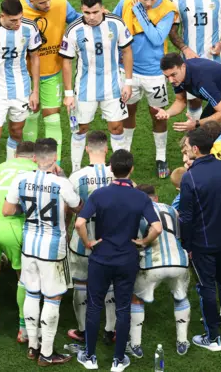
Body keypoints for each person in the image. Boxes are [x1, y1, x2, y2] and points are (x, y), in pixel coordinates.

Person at [75, 149, 163, 372]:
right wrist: (143, 242)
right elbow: (158, 227)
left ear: (111, 169)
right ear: (131, 169)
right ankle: (118, 360)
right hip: (127, 259)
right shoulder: (140, 197)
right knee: (123, 308)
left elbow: (79, 223)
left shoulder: (99, 194)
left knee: (95, 306)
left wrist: (88, 242)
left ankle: (90, 357)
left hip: (101, 258)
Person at [3, 138, 82, 366]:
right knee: (53, 297)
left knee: (31, 293)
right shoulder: (61, 183)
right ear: (55, 158)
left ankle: (32, 345)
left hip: (29, 245)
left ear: (35, 158)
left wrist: (29, 209)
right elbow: (79, 207)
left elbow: (7, 210)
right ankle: (46, 353)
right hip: (53, 248)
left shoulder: (21, 179)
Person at [0, 0, 82, 160]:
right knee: (30, 118)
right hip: (24, 76)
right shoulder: (19, 8)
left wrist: (101, 15)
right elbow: (2, 21)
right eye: (42, 3)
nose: (47, 5)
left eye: (48, 0)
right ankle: (29, 162)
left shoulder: (61, 2)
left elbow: (78, 20)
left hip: (52, 71)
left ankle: (55, 164)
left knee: (52, 119)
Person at [179, 127, 221, 351]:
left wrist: (186, 244)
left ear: (196, 149)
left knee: (206, 288)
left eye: (187, 148)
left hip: (201, 243)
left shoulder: (190, 177)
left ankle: (213, 338)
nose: (186, 151)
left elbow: (186, 218)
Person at [113, 0, 178, 178]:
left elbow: (157, 38)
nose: (148, 2)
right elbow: (114, 24)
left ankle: (161, 157)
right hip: (128, 70)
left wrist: (140, 12)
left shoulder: (168, 9)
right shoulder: (126, 0)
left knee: (157, 114)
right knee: (128, 112)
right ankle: (125, 155)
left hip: (155, 73)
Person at [60, 0, 133, 171]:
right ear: (81, 10)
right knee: (80, 128)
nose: (91, 17)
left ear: (102, 8)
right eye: (87, 13)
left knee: (116, 128)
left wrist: (128, 82)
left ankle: (119, 171)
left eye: (95, 12)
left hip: (114, 86)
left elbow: (127, 51)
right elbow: (66, 61)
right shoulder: (73, 30)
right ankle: (76, 171)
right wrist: (68, 94)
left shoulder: (116, 23)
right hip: (84, 89)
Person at [0, 0, 42, 180]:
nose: (18, 23)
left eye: (20, 18)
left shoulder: (29, 28)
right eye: (13, 20)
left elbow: (35, 57)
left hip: (21, 90)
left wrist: (35, 90)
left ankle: (11, 176)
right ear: (2, 15)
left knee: (16, 132)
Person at [0, 141, 37, 340]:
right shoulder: (36, 169)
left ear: (15, 155)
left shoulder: (2, 167)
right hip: (14, 225)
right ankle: (23, 327)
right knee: (23, 275)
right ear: (34, 157)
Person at [127, 184, 191, 358]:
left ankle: (135, 345)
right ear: (155, 197)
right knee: (180, 296)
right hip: (179, 261)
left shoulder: (136, 211)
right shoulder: (171, 209)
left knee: (137, 298)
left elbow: (133, 240)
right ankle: (182, 341)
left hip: (152, 263)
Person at [66, 131, 117, 345]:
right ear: (107, 149)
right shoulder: (118, 174)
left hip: (82, 240)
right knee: (112, 283)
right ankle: (110, 330)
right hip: (111, 240)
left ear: (87, 149)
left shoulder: (76, 177)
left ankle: (84, 330)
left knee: (81, 283)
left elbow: (70, 209)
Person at [157, 53, 221, 131]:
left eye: (173, 75)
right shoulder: (178, 77)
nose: (170, 80)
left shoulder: (201, 80)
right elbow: (180, 101)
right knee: (199, 135)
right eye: (167, 76)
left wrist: (196, 123)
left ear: (183, 66)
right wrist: (167, 113)